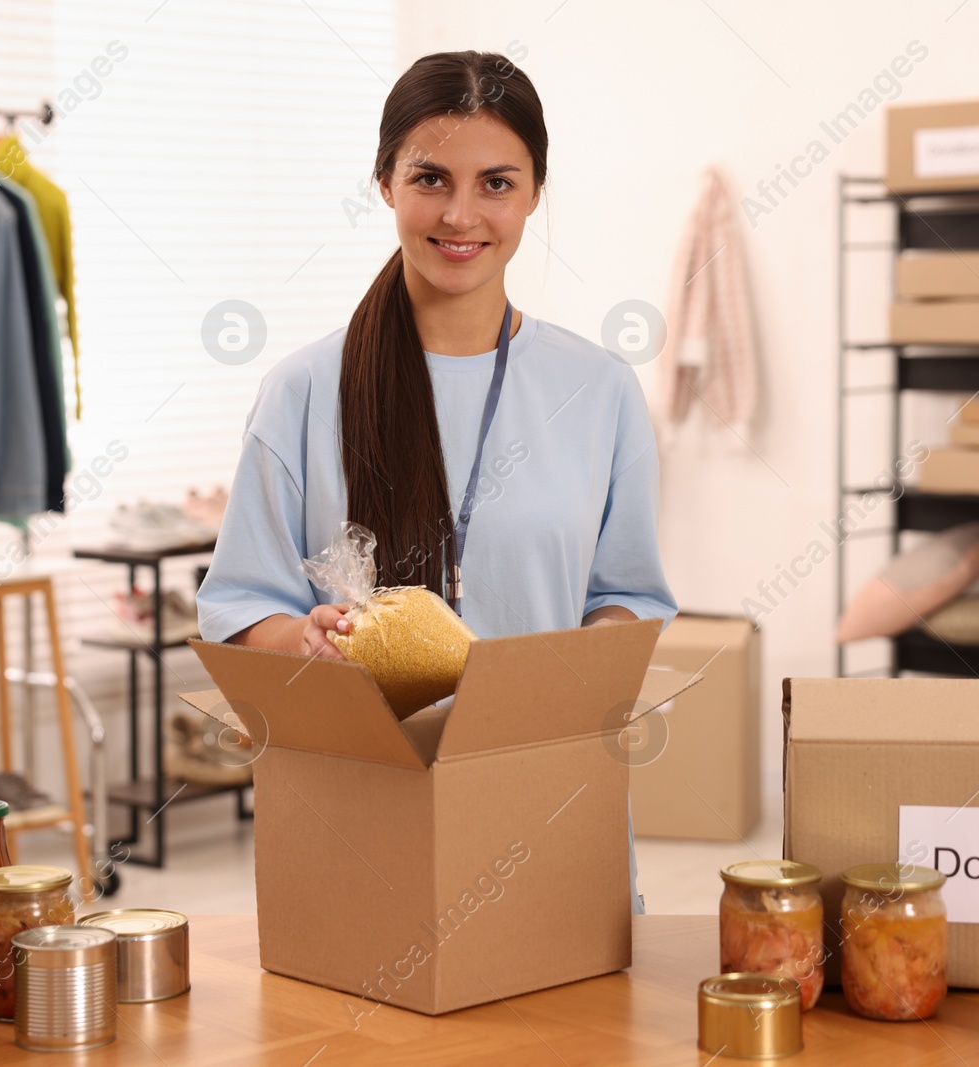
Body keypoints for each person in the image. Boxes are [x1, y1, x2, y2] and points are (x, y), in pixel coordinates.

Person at [196, 50, 677, 912]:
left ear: (534, 192)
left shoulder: (599, 389)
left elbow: (629, 595)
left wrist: (571, 667)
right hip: (358, 815)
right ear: (384, 182)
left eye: (496, 182)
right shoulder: (305, 390)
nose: (461, 214)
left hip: (548, 798)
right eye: (430, 178)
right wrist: (304, 640)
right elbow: (238, 606)